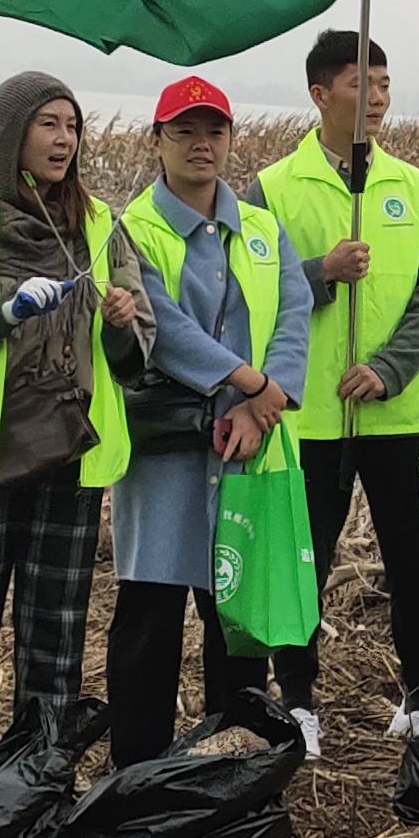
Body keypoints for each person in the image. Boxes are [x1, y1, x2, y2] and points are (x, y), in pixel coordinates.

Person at [0, 70, 145, 765]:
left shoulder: (102, 223)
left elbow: (138, 342)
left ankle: (37, 770)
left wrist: (119, 321)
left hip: (70, 454)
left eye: (72, 126)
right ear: (9, 132)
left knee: (55, 633)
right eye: (49, 124)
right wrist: (8, 312)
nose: (64, 139)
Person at [244, 30, 419, 738]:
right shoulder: (271, 187)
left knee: (415, 563)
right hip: (308, 419)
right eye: (364, 85)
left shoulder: (413, 189)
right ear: (320, 94)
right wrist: (318, 274)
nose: (380, 98)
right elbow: (249, 292)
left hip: (398, 418)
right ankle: (297, 698)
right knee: (304, 564)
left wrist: (390, 369)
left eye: (386, 84)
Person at [110, 77, 312, 765]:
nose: (202, 145)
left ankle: (235, 755)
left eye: (215, 131)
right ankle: (137, 764)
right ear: (157, 139)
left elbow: (293, 311)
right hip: (166, 449)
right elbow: (158, 324)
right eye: (184, 131)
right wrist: (249, 382)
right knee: (152, 608)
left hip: (246, 445)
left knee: (236, 611)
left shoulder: (260, 227)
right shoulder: (133, 228)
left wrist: (269, 403)